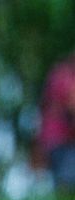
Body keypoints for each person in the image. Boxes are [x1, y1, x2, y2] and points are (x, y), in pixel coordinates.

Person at [37, 52, 75, 192]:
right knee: (67, 182)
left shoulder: (60, 74)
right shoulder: (65, 76)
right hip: (62, 139)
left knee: (64, 179)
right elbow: (72, 105)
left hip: (55, 138)